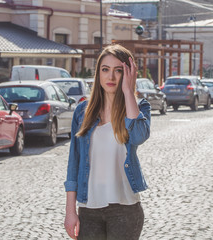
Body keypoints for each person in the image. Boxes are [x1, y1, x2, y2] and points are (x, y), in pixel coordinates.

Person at [64, 44, 151, 240]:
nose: (110, 77)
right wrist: (70, 211)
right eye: (105, 70)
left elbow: (139, 136)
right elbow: (73, 163)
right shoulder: (82, 112)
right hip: (89, 210)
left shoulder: (138, 108)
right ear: (98, 74)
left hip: (125, 210)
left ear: (128, 74)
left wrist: (129, 92)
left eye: (118, 71)